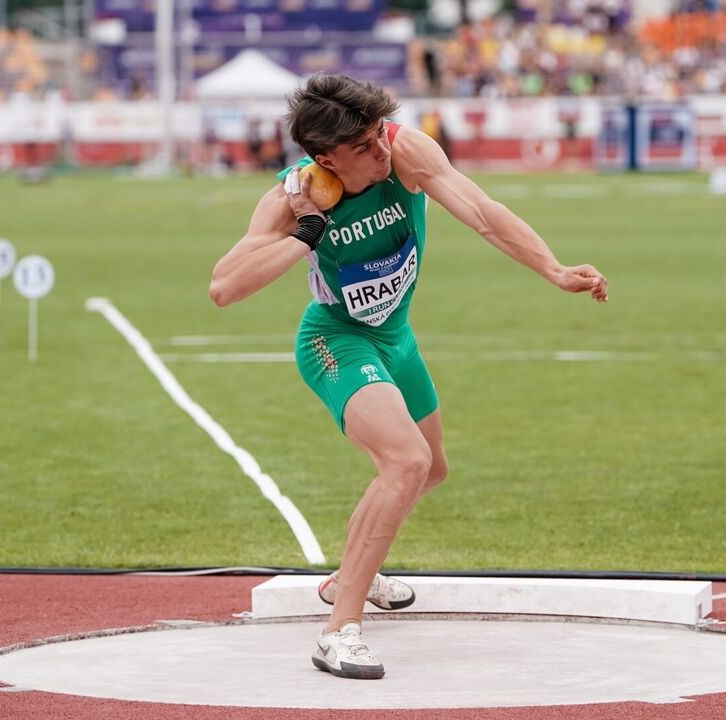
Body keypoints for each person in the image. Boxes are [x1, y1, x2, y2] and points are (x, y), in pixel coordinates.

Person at [208, 74, 608, 680]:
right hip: (335, 340)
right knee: (406, 462)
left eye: (378, 135)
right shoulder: (292, 198)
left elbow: (482, 212)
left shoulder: (407, 152)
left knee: (433, 466)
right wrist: (307, 232)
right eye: (364, 146)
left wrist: (552, 269)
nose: (381, 151)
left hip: (396, 337)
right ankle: (339, 631)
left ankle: (351, 573)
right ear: (325, 160)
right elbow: (224, 288)